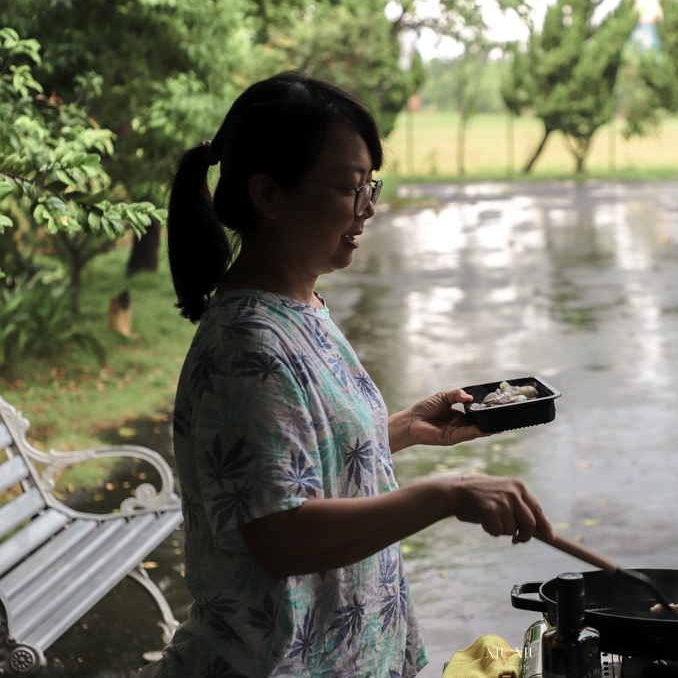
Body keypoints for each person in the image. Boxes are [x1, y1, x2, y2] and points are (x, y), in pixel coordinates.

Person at [153, 70, 554, 678]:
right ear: (268, 195)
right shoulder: (246, 345)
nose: (369, 208)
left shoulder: (300, 307)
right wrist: (448, 492)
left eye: (371, 185)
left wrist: (402, 428)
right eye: (348, 187)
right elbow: (280, 535)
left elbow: (289, 460)